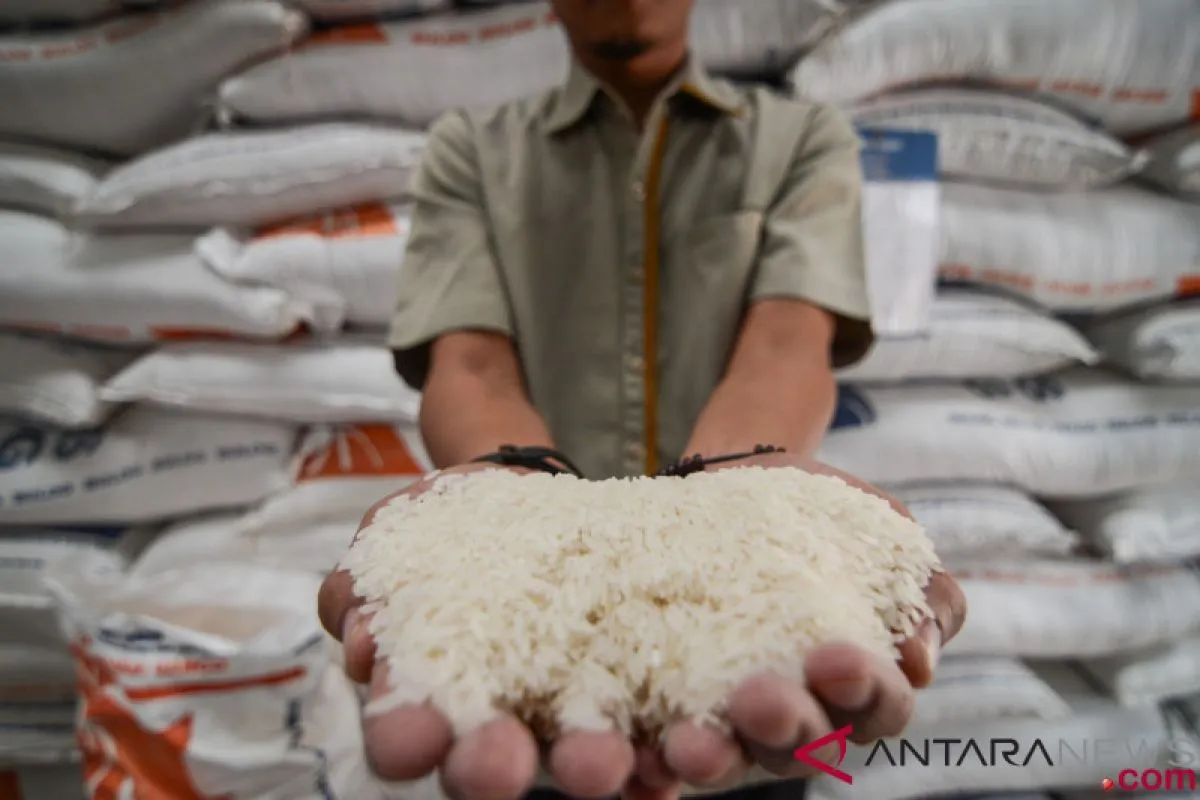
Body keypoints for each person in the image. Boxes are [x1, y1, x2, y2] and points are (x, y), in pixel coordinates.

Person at [318, 1, 968, 799]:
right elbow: (471, 362)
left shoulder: (800, 138)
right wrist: (500, 489)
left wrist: (743, 479)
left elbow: (787, 341)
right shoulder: (474, 150)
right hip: (534, 704)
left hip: (750, 687)